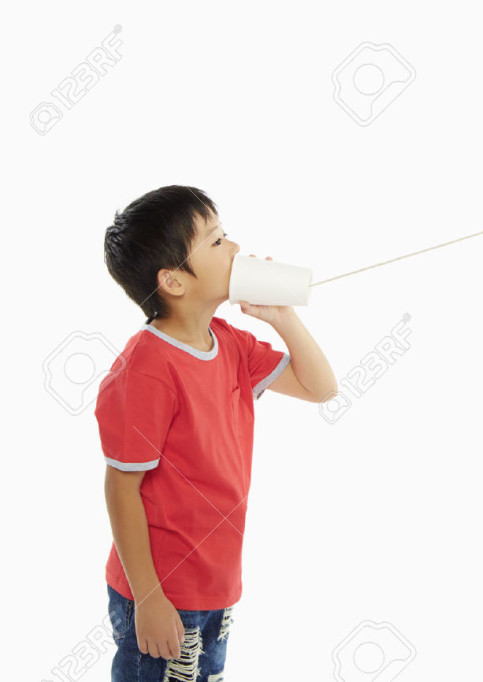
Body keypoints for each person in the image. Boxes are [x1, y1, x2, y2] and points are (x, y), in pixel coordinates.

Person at [95, 185, 337, 681]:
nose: (233, 247)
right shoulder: (145, 370)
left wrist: (282, 318)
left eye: (224, 234)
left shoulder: (229, 344)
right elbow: (122, 488)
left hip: (215, 583)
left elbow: (321, 387)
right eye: (215, 240)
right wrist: (148, 597)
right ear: (174, 282)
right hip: (161, 589)